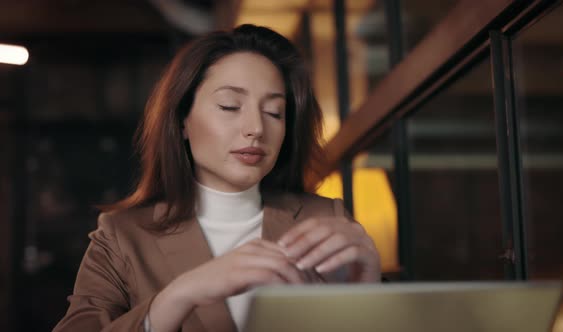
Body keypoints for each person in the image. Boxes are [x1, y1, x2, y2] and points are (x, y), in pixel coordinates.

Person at [53, 24, 380, 332]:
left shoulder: (324, 219)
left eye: (274, 112)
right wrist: (180, 295)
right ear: (182, 119)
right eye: (229, 106)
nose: (255, 128)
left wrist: (371, 291)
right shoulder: (122, 236)